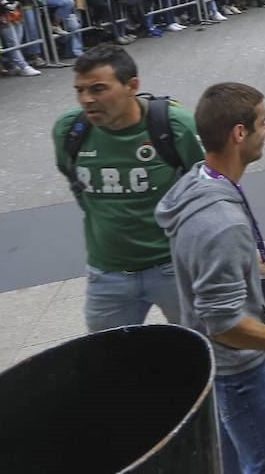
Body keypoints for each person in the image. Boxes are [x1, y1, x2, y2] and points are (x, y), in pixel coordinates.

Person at [155, 82, 265, 474]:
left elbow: (212, 270)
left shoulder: (200, 180)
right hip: (236, 371)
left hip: (216, 369)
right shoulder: (222, 222)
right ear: (239, 133)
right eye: (264, 122)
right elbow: (223, 322)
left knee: (229, 461)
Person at [51, 44, 205, 331]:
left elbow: (211, 191)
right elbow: (76, 184)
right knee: (109, 366)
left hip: (175, 269)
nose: (86, 99)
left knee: (203, 355)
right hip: (107, 275)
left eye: (98, 89)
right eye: (80, 90)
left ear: (131, 86)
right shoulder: (69, 130)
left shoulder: (174, 125)